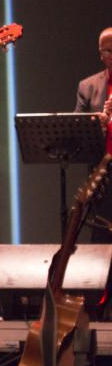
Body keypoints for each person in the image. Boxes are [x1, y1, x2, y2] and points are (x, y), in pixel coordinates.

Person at [74, 26, 112, 245]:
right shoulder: (88, 86)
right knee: (101, 238)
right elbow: (75, 131)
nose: (108, 56)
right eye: (105, 51)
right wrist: (96, 124)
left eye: (111, 50)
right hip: (102, 173)